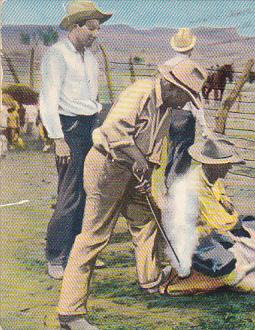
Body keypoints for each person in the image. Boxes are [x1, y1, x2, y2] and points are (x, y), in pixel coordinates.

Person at [56, 56, 207, 329]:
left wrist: (146, 172)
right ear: (171, 86)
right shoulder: (139, 92)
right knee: (94, 236)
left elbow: (153, 147)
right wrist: (139, 161)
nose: (185, 103)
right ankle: (70, 313)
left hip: (132, 171)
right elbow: (115, 133)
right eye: (185, 96)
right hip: (107, 166)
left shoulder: (166, 108)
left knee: (148, 218)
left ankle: (150, 279)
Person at [39, 0, 112, 279]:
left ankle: (78, 252)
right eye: (91, 28)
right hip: (68, 130)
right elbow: (48, 100)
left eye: (98, 29)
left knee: (89, 191)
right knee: (69, 195)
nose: (96, 33)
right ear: (76, 26)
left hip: (89, 128)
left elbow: (91, 100)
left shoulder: (90, 59)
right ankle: (56, 256)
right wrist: (58, 138)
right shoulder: (57, 54)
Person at [159, 137, 255, 295]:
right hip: (196, 237)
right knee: (224, 263)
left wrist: (230, 212)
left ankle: (231, 248)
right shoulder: (195, 185)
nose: (230, 167)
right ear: (214, 165)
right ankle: (191, 273)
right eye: (226, 164)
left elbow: (224, 202)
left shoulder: (213, 178)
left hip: (218, 229)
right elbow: (218, 220)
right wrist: (237, 226)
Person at [164, 28, 211, 189]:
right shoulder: (193, 69)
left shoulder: (166, 66)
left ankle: (168, 184)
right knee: (183, 155)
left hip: (166, 115)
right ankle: (176, 189)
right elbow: (196, 100)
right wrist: (204, 127)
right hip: (185, 116)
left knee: (170, 151)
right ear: (191, 48)